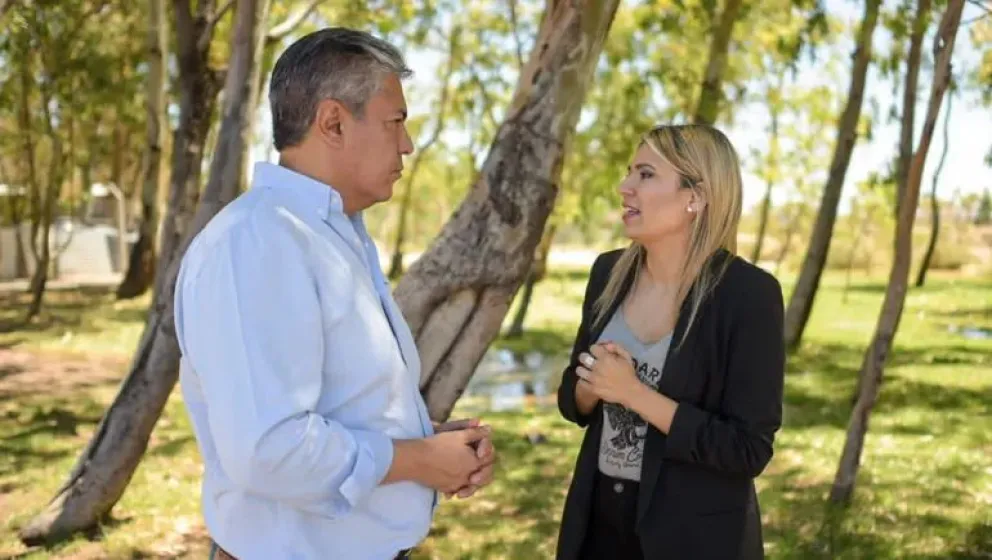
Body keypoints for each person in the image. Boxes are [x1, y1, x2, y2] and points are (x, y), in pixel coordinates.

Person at [174, 28, 496, 560]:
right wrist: (418, 459)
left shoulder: (329, 234)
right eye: (396, 121)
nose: (408, 144)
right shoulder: (259, 241)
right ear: (333, 123)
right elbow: (270, 449)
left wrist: (428, 441)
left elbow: (337, 406)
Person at [554, 124, 785, 560]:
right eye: (629, 172)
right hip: (598, 526)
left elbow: (748, 448)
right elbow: (573, 400)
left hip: (693, 539)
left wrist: (633, 393)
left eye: (645, 174)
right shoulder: (607, 273)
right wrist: (591, 386)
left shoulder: (748, 295)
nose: (625, 187)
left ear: (695, 197)